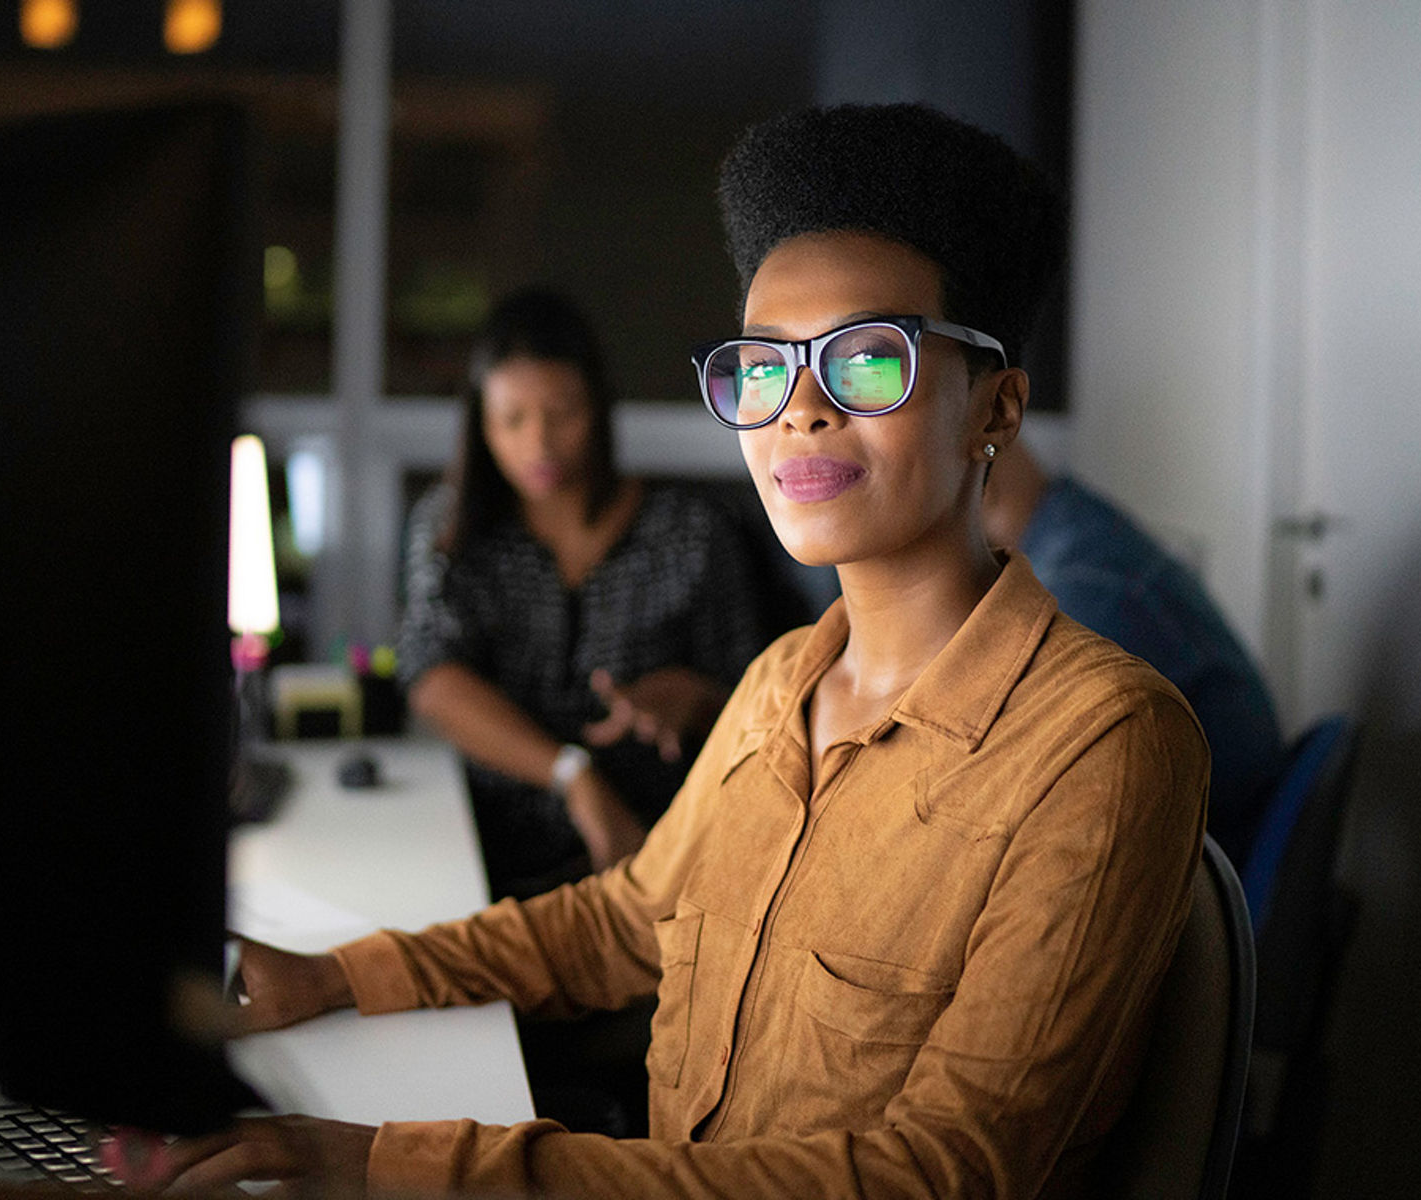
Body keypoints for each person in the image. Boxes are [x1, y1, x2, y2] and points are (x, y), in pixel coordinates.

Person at [118, 103, 1210, 1198]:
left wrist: (385, 1162)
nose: (799, 412)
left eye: (866, 362)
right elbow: (622, 918)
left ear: (998, 407)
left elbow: (939, 1173)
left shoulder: (1100, 746)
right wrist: (333, 977)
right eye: (760, 369)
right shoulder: (782, 683)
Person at [394, 286, 780, 903]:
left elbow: (761, 691)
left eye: (563, 413)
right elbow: (432, 677)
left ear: (598, 408)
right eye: (512, 419)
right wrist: (574, 775)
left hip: (661, 854)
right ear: (480, 422)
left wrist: (694, 697)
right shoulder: (450, 529)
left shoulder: (689, 530)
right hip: (483, 853)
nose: (539, 445)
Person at [983, 437, 1284, 861]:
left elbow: (1054, 817)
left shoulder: (1082, 593)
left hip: (1206, 863)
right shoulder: (1077, 526)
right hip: (1219, 838)